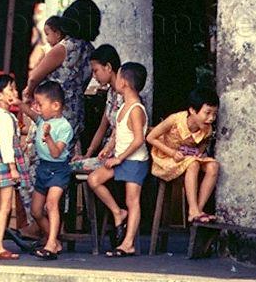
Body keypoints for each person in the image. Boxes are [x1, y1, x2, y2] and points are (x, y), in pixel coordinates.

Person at [87, 62, 149, 257]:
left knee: (133, 201)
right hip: (121, 159)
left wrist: (119, 158)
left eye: (119, 76)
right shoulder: (123, 106)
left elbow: (139, 139)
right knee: (94, 180)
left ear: (124, 83)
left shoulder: (136, 109)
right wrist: (107, 149)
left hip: (134, 161)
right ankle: (117, 212)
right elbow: (117, 133)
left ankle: (128, 243)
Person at [25, 0, 101, 154]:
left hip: (51, 111)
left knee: (39, 157)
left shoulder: (63, 48)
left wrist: (28, 93)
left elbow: (34, 77)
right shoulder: (90, 51)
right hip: (75, 112)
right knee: (62, 159)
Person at [17, 80, 73, 260]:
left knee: (51, 204)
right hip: (43, 168)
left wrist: (47, 137)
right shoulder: (42, 120)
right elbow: (30, 112)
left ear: (56, 105)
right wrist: (18, 103)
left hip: (58, 169)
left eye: (40, 104)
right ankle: (54, 239)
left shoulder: (64, 127)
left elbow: (56, 153)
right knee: (35, 211)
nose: (37, 107)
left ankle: (50, 245)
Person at [146, 87, 220, 223]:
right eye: (207, 113)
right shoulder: (175, 119)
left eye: (214, 114)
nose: (211, 118)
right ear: (192, 110)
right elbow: (150, 137)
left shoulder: (208, 130)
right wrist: (172, 153)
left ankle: (198, 209)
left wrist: (200, 152)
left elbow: (203, 143)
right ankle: (192, 210)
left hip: (186, 158)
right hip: (165, 157)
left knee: (213, 166)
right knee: (193, 164)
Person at [0, 74, 29, 260]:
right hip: (4, 161)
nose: (15, 92)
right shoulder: (3, 117)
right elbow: (6, 146)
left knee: (0, 206)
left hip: (0, 159)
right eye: (10, 89)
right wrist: (13, 168)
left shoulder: (4, 115)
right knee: (5, 206)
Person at [74, 44, 123, 169]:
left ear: (108, 67)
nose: (94, 76)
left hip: (121, 153)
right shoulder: (111, 93)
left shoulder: (125, 94)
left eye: (96, 71)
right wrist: (88, 154)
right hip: (108, 151)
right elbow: (102, 127)